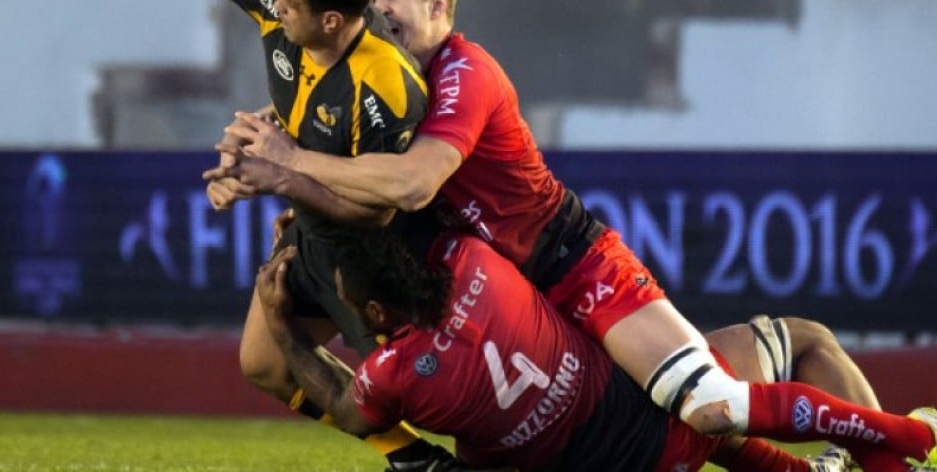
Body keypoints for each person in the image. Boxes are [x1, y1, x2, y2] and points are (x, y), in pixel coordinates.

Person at [210, 0, 937, 458]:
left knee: (702, 408)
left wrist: (291, 166)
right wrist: (291, 185)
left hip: (571, 266)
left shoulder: (465, 73)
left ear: (438, 7)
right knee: (270, 361)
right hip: (516, 302)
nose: (381, 10)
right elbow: (364, 184)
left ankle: (904, 444)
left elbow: (410, 186)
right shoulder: (383, 94)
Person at [60, 0, 457, 471]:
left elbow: (377, 209)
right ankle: (410, 458)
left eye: (293, 4)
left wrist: (277, 177)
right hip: (310, 230)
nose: (277, 4)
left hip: (374, 254)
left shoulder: (386, 87)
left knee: (434, 392)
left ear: (331, 22)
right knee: (264, 364)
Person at [256, 228, 937, 471]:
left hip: (605, 460)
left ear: (373, 313)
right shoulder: (472, 262)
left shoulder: (391, 377)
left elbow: (347, 408)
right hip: (650, 420)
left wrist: (285, 324)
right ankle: (896, 440)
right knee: (798, 345)